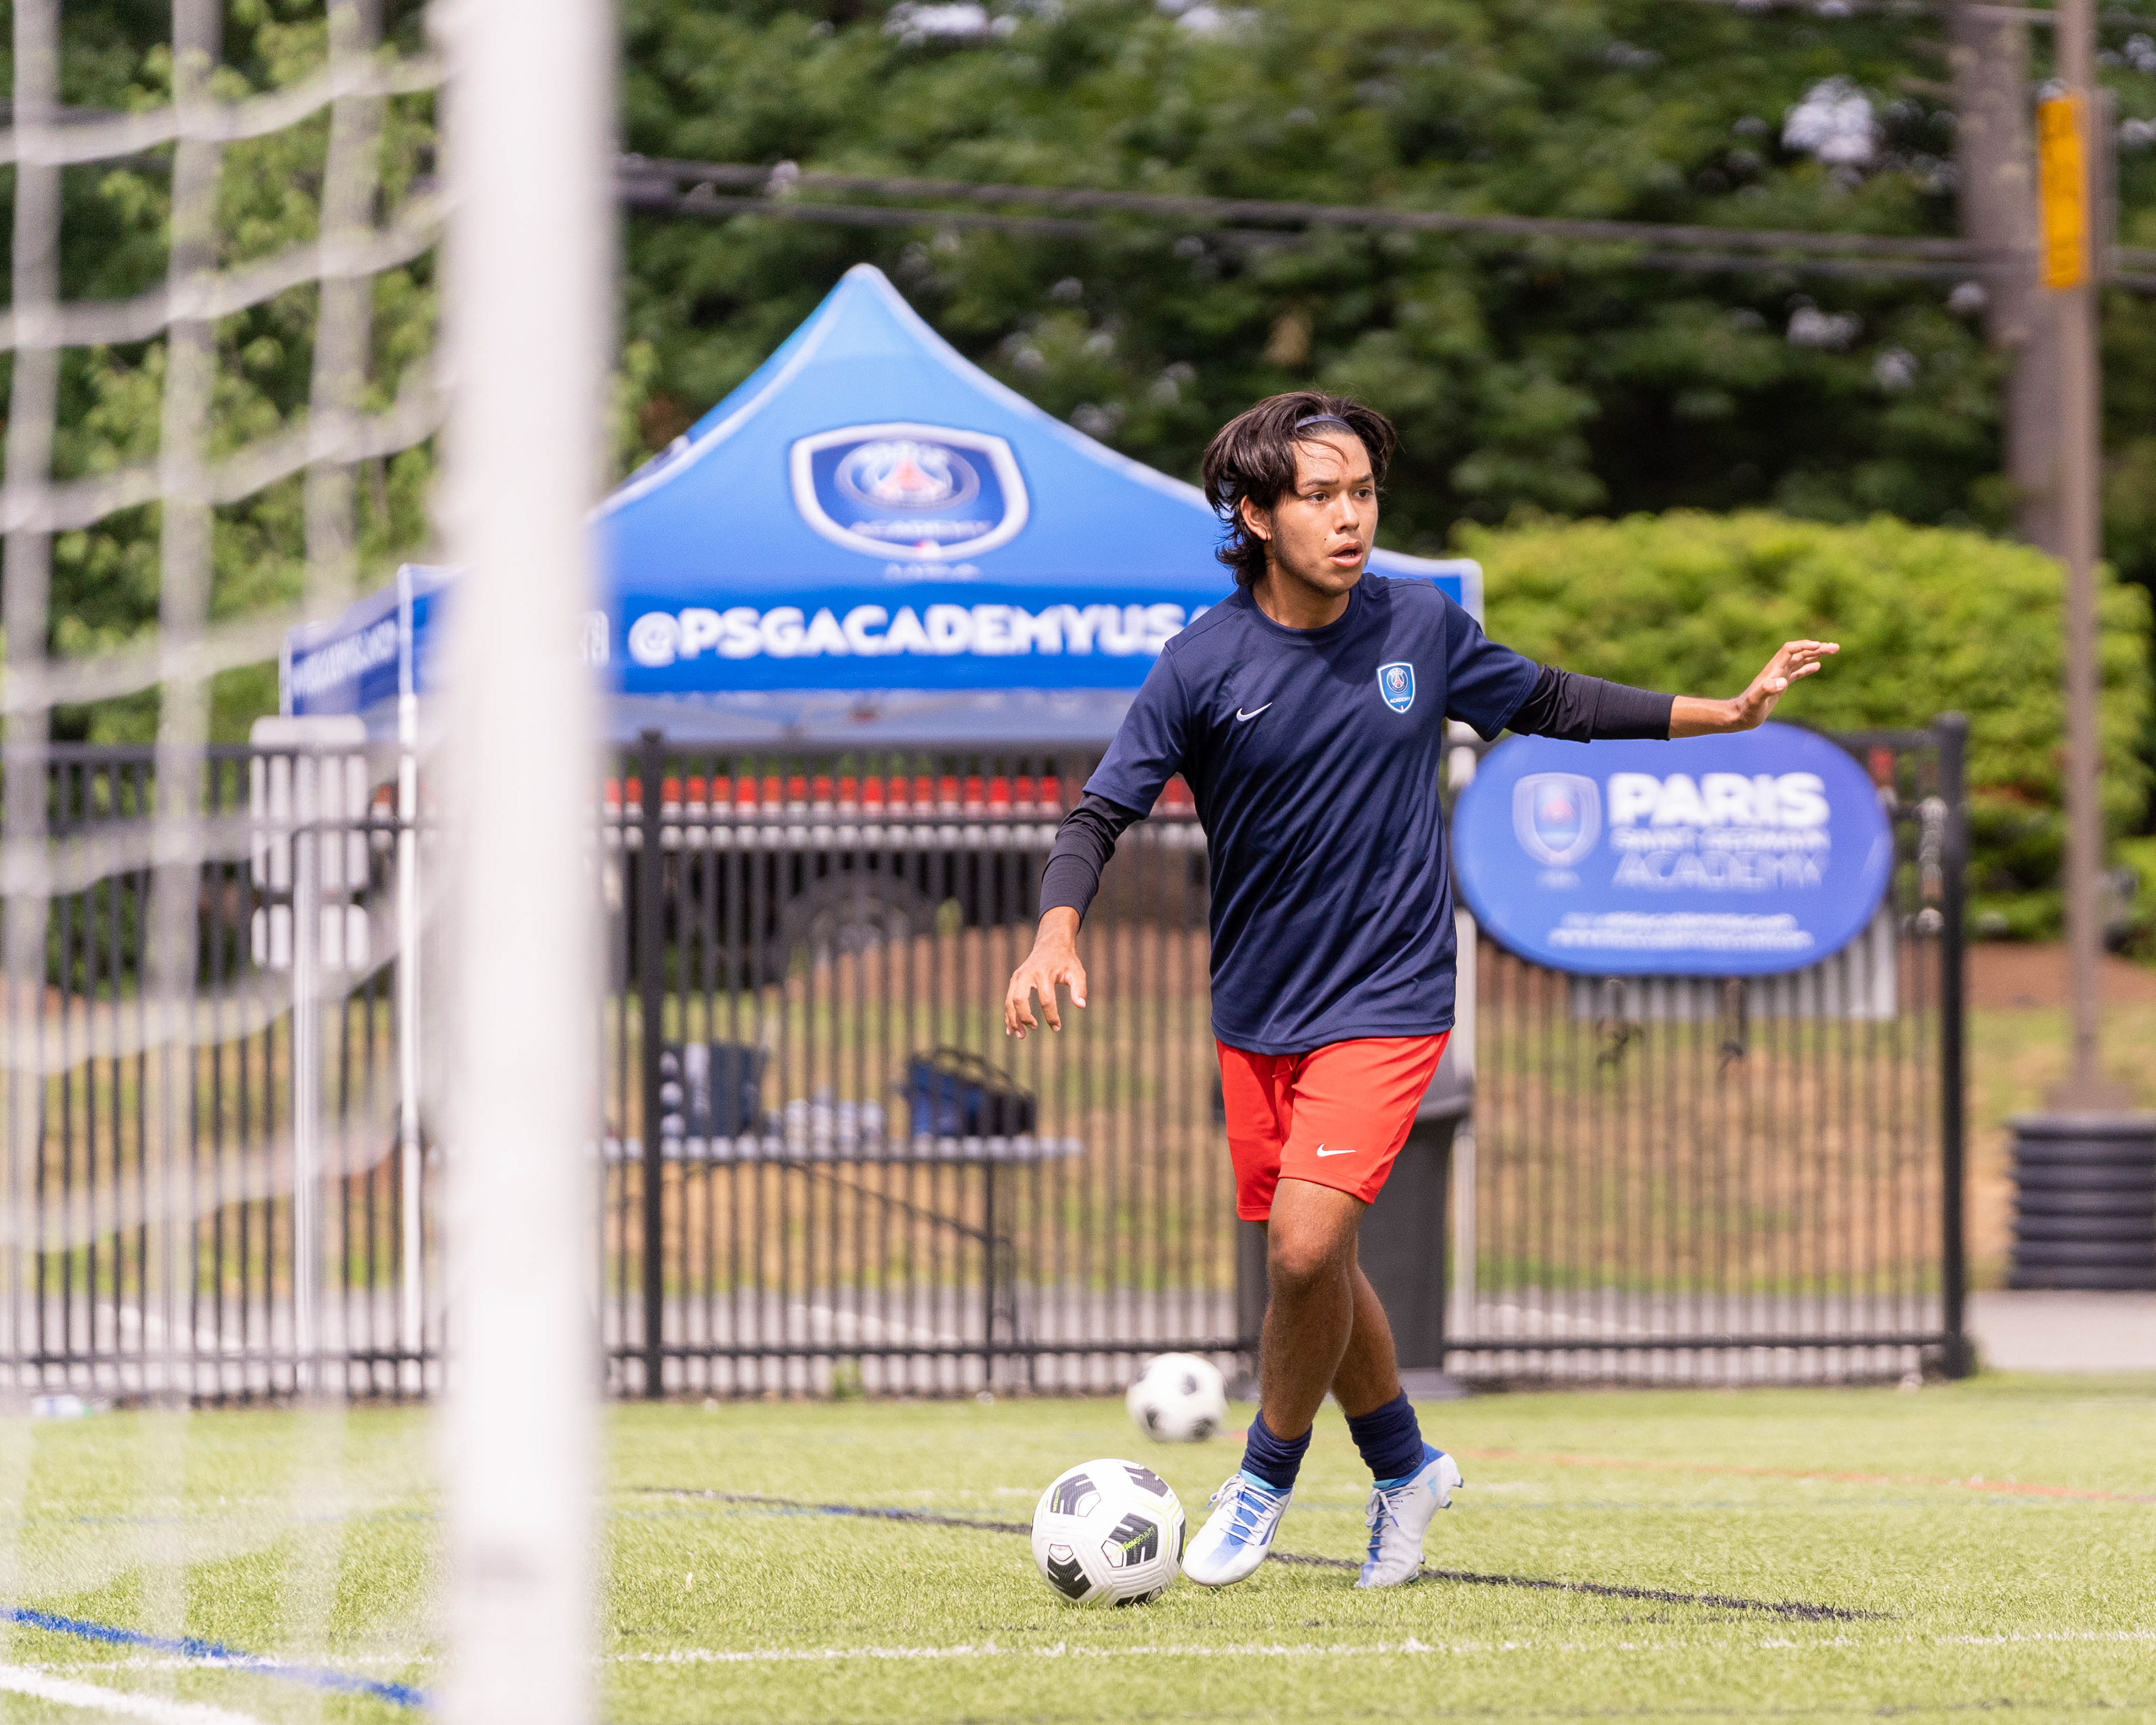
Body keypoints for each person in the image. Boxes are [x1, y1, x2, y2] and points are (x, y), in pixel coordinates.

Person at [1000, 391, 1838, 1591]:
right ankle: (1406, 1468)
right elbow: (1099, 814)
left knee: (1303, 1255)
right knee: (1320, 1266)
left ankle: (1263, 1477)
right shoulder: (1202, 662)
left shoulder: (1420, 626)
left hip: (1392, 994)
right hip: (1258, 1009)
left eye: (1363, 493)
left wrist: (1730, 713)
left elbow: (1555, 702)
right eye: (1321, 496)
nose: (1352, 518)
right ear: (1256, 515)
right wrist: (1054, 934)